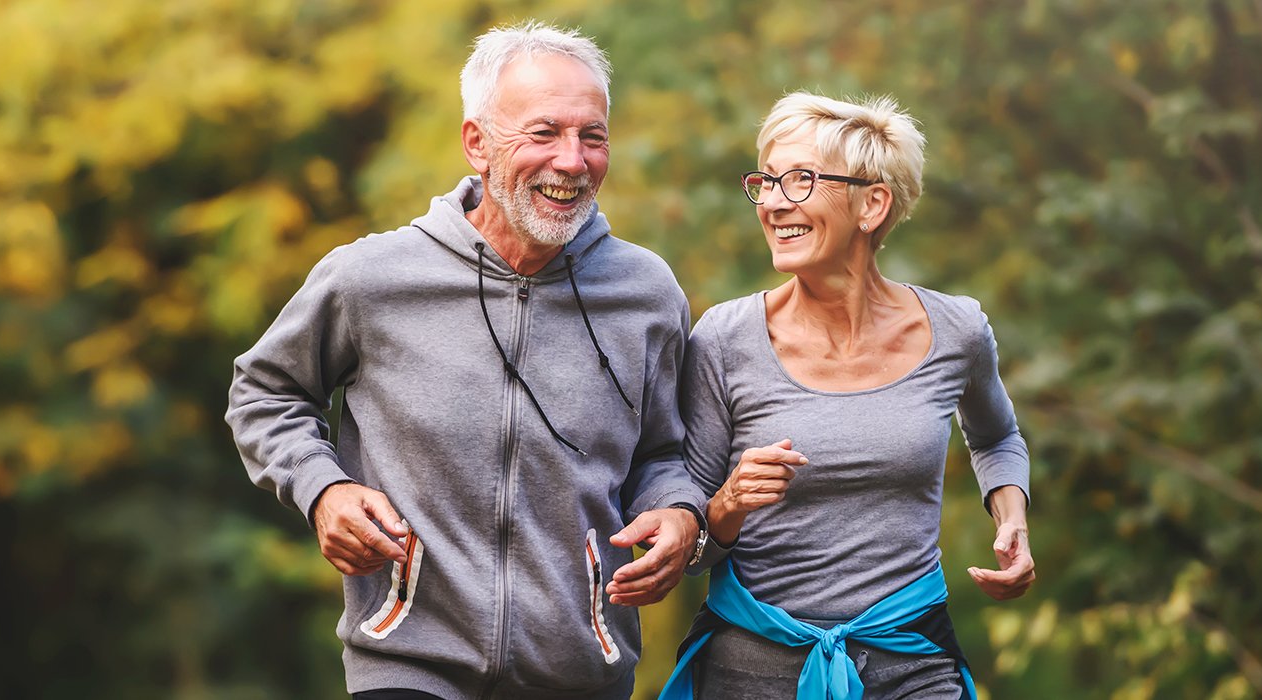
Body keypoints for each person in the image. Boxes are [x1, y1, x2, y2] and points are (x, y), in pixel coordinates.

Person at [226, 22, 708, 700]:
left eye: (591, 136)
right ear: (476, 143)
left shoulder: (646, 292)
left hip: (579, 671)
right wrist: (322, 489)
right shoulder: (373, 277)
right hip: (408, 661)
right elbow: (265, 392)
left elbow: (666, 452)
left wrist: (681, 514)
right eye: (543, 133)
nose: (572, 161)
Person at [659, 92, 1036, 699]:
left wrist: (1012, 517)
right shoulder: (724, 339)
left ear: (872, 204)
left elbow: (996, 436)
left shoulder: (956, 330)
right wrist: (728, 502)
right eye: (767, 181)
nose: (775, 202)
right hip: (750, 667)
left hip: (912, 658)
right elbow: (690, 545)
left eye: (802, 180)